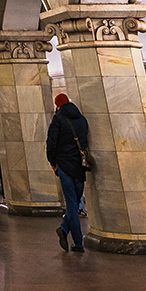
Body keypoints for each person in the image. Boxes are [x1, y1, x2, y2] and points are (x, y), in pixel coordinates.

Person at [45, 93, 91, 252]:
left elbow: (51, 142)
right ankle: (64, 230)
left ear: (58, 105)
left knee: (71, 204)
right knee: (77, 199)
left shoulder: (58, 120)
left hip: (64, 165)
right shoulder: (82, 119)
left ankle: (77, 242)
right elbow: (85, 142)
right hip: (79, 165)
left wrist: (52, 162)